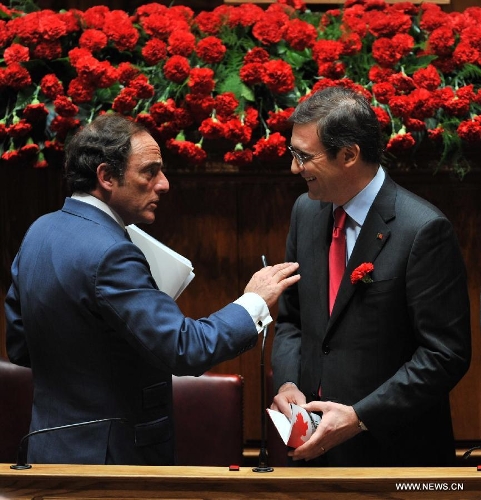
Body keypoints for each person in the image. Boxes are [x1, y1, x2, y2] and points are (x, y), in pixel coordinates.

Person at [5, 113, 300, 466]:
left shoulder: (40, 230)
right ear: (106, 176)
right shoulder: (112, 252)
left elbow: (21, 347)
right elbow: (184, 348)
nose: (164, 184)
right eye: (150, 171)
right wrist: (253, 301)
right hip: (111, 464)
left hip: (46, 452)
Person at [270, 86, 471, 467]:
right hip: (313, 452)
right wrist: (287, 382)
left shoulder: (423, 229)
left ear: (349, 155)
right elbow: (292, 320)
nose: (294, 168)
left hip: (394, 454)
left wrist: (360, 416)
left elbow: (445, 354)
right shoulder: (306, 212)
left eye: (304, 156)